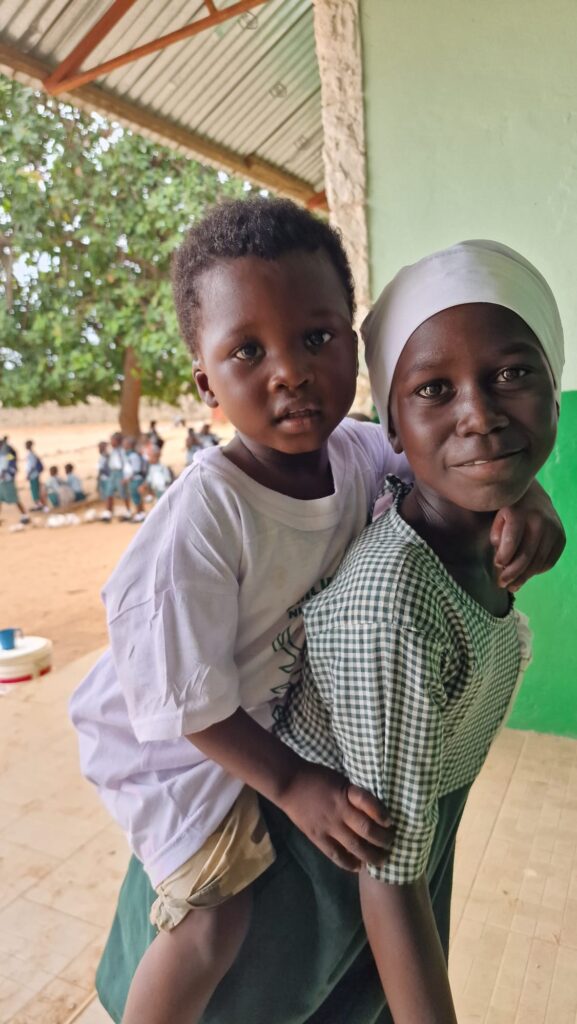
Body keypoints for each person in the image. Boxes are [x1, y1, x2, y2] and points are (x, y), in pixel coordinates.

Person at [70, 199, 564, 1024]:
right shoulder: (204, 520)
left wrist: (529, 495)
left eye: (315, 338)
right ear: (206, 382)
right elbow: (183, 700)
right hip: (182, 748)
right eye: (247, 351)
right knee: (213, 921)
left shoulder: (359, 451)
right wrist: (293, 783)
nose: (289, 372)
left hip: (258, 709)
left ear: (351, 344)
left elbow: (446, 465)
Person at [276, 240, 563, 1022]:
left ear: (555, 389)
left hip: (407, 850)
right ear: (393, 428)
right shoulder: (394, 603)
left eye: (513, 373)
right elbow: (386, 876)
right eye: (434, 389)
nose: (479, 412)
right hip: (313, 910)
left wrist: (529, 493)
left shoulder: (479, 536)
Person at [101, 432, 130, 522]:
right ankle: (108, 511)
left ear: (117, 441)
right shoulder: (111, 451)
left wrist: (126, 476)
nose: (111, 443)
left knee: (123, 492)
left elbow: (126, 464)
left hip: (120, 473)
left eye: (113, 441)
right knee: (109, 491)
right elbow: (104, 455)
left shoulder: (122, 452)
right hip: (112, 473)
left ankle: (128, 511)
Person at [0, 437, 29, 524]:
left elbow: (13, 459)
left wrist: (7, 473)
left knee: (15, 499)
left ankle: (25, 515)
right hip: (1, 482)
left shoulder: (8, 455)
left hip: (8, 481)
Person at [122, 436, 147, 522]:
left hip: (135, 480)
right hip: (133, 480)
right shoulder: (129, 455)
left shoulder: (133, 456)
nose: (123, 445)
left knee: (136, 497)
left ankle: (140, 513)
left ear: (129, 445)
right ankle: (140, 513)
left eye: (125, 444)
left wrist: (127, 479)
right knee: (135, 497)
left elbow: (136, 470)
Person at [25, 440, 45, 511]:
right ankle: (39, 505)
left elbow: (31, 466)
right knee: (35, 490)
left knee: (35, 490)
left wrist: (28, 474)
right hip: (34, 474)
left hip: (33, 475)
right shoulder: (32, 453)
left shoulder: (31, 454)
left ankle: (39, 505)